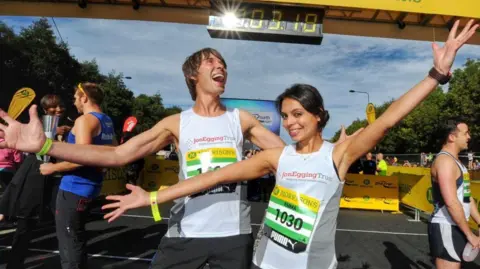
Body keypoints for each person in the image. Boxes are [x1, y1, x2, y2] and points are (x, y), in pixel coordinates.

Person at [0, 20, 477, 268]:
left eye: (223, 61)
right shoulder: (181, 124)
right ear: (194, 74)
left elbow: (365, 129)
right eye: (212, 61)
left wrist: (434, 75)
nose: (221, 66)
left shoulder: (249, 121)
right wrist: (48, 148)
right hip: (191, 235)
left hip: (238, 240)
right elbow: (123, 156)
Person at [39, 83, 115, 269]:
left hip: (75, 187)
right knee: (76, 235)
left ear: (84, 98)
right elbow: (113, 149)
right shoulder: (106, 120)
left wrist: (53, 168)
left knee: (69, 238)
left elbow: (82, 158)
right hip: (90, 187)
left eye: (75, 98)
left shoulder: (85, 120)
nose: (74, 102)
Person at [0, 94, 71, 269]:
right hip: (34, 175)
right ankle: (14, 264)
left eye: (60, 105)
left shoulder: (70, 125)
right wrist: (54, 133)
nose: (58, 109)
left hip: (56, 177)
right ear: (45, 109)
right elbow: (40, 149)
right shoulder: (38, 123)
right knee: (25, 222)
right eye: (53, 107)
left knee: (64, 221)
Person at [428, 119, 480, 269]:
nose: (469, 137)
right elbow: (451, 202)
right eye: (466, 133)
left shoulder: (456, 162)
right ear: (452, 137)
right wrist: (470, 234)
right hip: (446, 225)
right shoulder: (444, 161)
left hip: (455, 225)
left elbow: (467, 197)